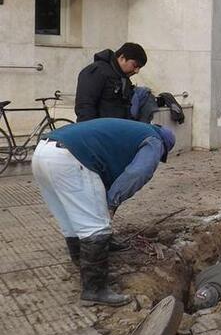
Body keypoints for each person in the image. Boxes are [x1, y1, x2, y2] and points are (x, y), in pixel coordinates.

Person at [32, 118, 175, 307]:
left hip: (42, 153)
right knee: (96, 226)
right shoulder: (155, 141)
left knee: (70, 218)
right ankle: (95, 289)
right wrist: (112, 201)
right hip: (71, 158)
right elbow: (138, 173)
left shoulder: (130, 130)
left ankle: (80, 260)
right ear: (165, 146)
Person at [75, 43, 148, 122]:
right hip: (98, 129)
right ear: (122, 58)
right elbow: (85, 106)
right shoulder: (98, 71)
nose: (136, 71)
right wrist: (90, 130)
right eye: (134, 65)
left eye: (139, 68)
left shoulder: (123, 79)